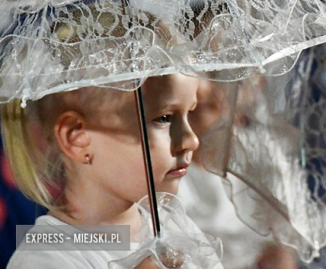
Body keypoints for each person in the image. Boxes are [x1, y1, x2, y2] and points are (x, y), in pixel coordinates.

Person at [1, 72, 216, 268]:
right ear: (77, 138)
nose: (192, 140)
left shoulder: (177, 227)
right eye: (164, 118)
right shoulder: (44, 258)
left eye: (190, 113)